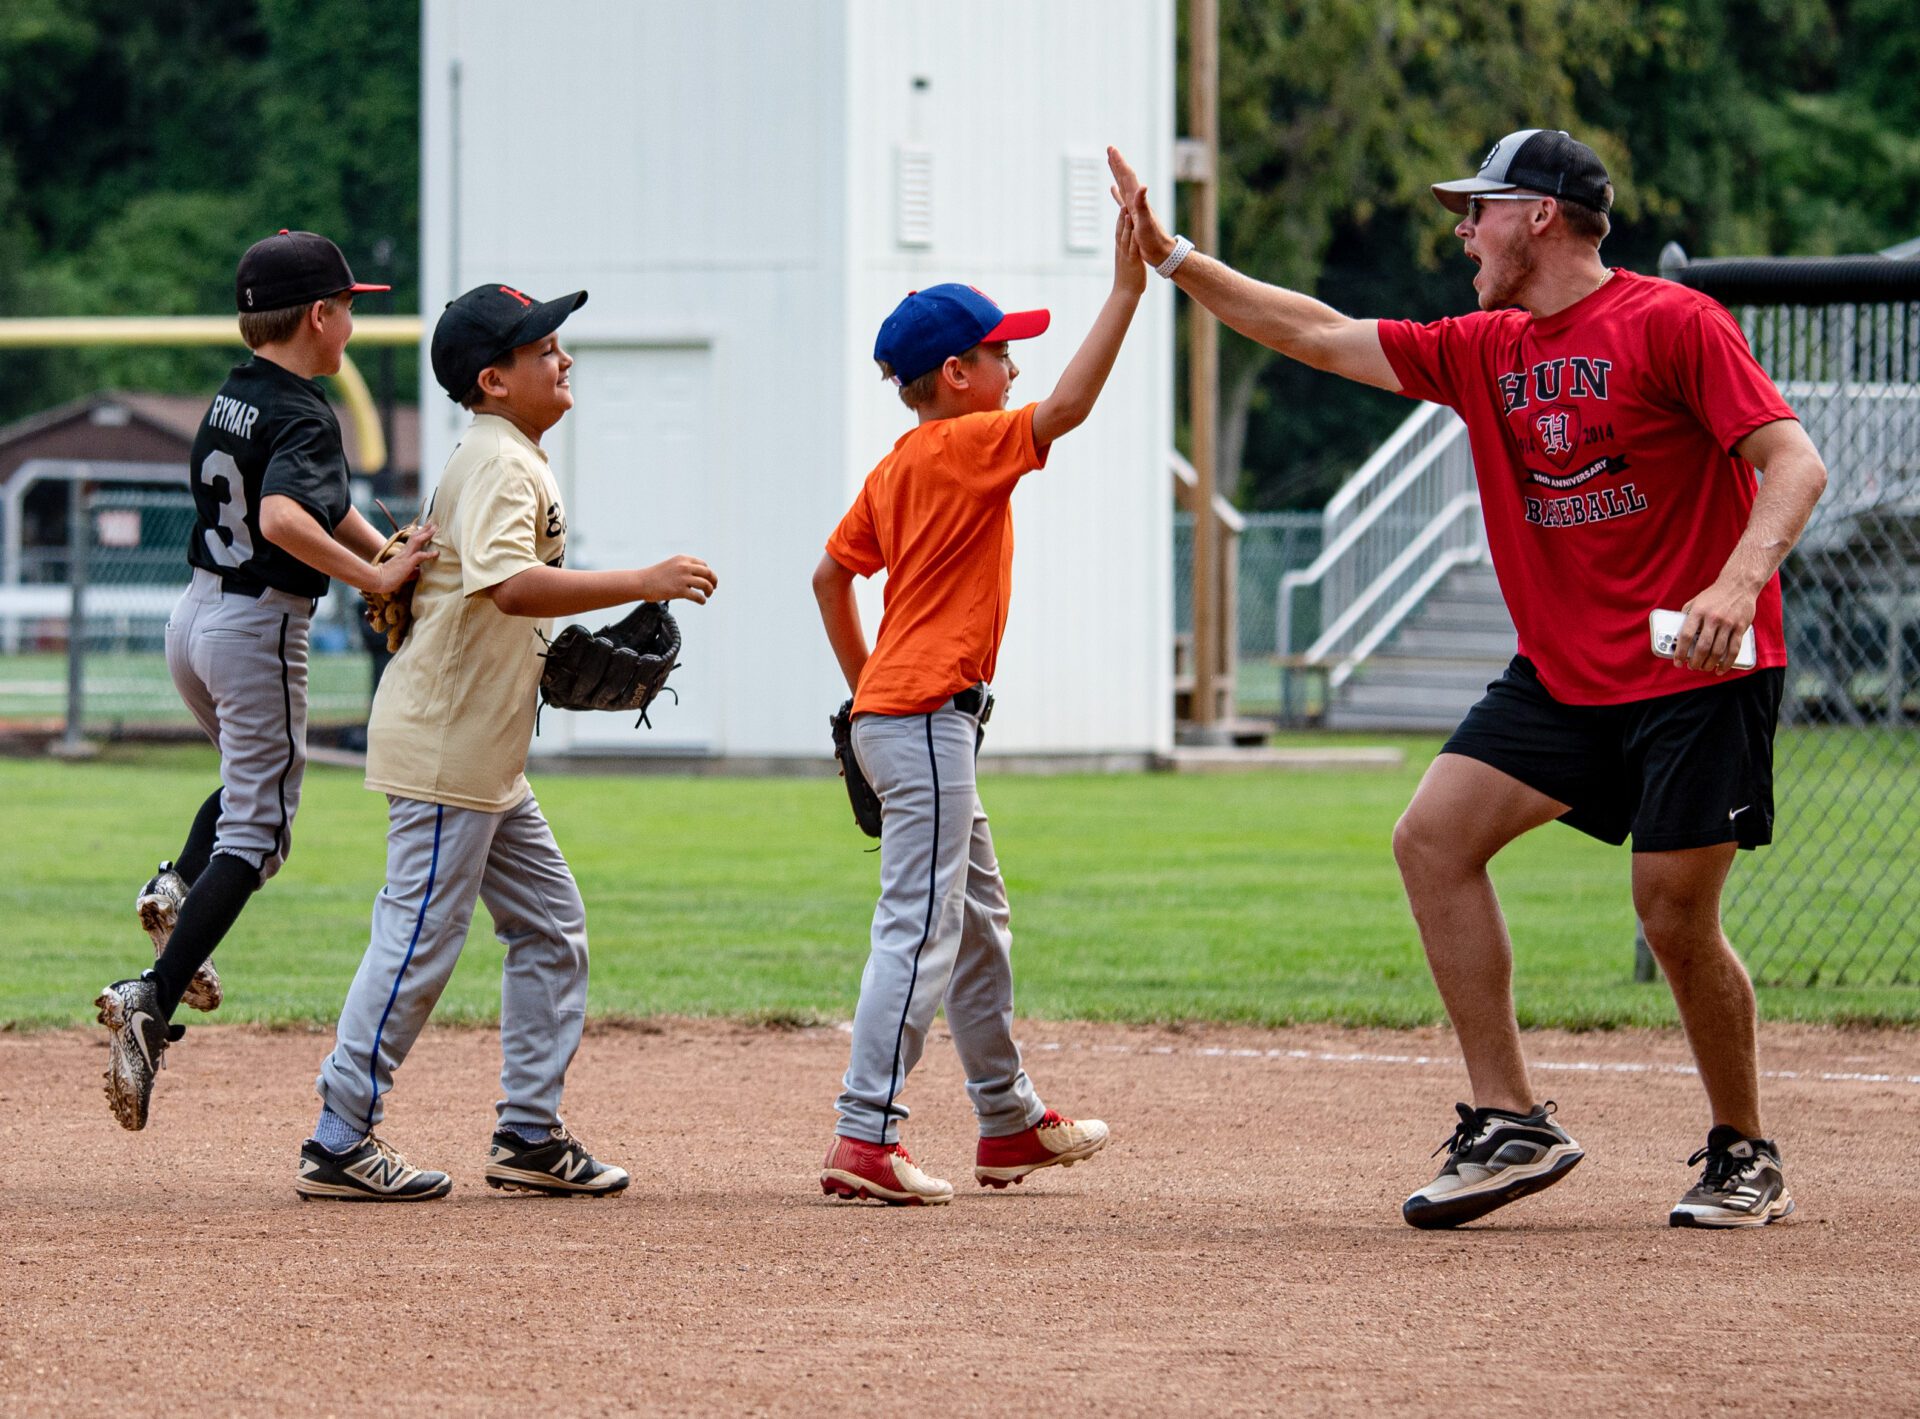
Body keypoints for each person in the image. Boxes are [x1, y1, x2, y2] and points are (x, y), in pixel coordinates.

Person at [1108, 131, 1828, 1229]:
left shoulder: (1674, 322)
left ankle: (1745, 1152)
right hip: (1563, 674)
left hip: (1697, 669)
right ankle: (1512, 1122)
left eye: (1476, 208)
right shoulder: (1484, 346)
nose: (1459, 229)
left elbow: (1793, 460)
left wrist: (1738, 582)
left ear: (1539, 214)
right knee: (1433, 838)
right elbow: (1312, 330)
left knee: (1674, 914)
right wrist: (1175, 260)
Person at [298, 283, 717, 1201]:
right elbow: (508, 588)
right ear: (494, 378)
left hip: (481, 748)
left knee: (550, 925)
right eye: (543, 350)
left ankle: (528, 1133)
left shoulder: (504, 453)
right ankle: (338, 1136)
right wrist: (640, 578)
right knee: (417, 938)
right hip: (449, 746)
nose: (562, 359)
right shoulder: (500, 461)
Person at [810, 207, 1146, 1205]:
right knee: (921, 927)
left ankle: (1006, 1121)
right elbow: (1072, 409)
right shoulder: (965, 448)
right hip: (922, 719)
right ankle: (866, 1136)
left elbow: (831, 579)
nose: (1014, 370)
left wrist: (865, 689)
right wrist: (1127, 290)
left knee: (978, 918)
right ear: (955, 374)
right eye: (1002, 354)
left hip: (901, 714)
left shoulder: (898, 464)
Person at [95, 230, 436, 1132]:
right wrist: (376, 579)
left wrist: (383, 548)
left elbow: (317, 505)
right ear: (319, 316)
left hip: (194, 619)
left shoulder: (238, 394)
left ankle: (175, 887)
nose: (352, 321)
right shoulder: (308, 411)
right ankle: (151, 999)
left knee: (248, 790)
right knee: (261, 831)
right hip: (256, 628)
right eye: (349, 306)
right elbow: (287, 514)